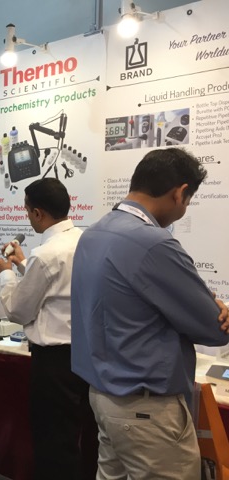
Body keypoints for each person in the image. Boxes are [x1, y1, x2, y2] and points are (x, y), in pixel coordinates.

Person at [71, 148, 229, 479]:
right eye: (188, 200)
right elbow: (214, 328)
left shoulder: (94, 233)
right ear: (180, 193)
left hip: (104, 396)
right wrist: (212, 308)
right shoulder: (153, 243)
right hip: (146, 409)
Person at [0, 178, 97, 480]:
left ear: (38, 213)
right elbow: (60, 286)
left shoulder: (47, 254)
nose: (27, 216)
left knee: (54, 444)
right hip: (85, 358)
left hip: (53, 366)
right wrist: (24, 265)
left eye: (27, 211)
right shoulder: (86, 241)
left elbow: (17, 309)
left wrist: (6, 274)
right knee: (81, 440)